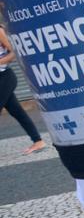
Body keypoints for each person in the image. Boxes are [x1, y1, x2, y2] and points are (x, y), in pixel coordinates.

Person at [0, 24, 45, 155]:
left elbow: (15, 51)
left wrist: (1, 62)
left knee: (17, 112)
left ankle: (38, 140)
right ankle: (38, 141)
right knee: (17, 112)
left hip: (4, 78)